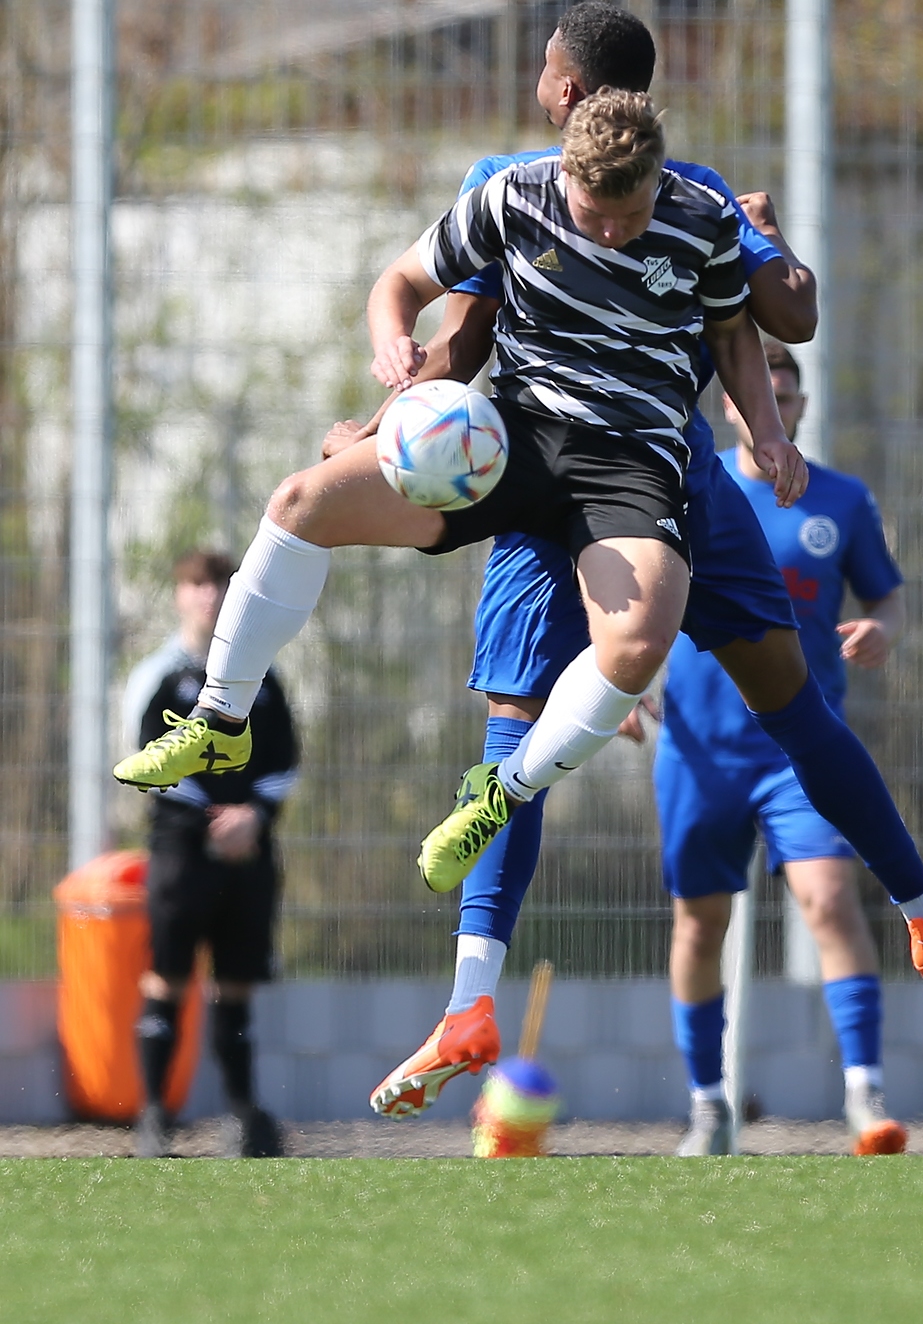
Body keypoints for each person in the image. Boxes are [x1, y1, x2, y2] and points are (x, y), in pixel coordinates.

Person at [364, 6, 923, 1128]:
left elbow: (774, 314)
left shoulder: (674, 194)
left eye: (543, 69)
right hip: (625, 487)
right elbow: (462, 328)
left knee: (564, 722)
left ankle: (476, 1000)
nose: (535, 81)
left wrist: (765, 250)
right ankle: (915, 908)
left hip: (623, 486)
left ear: (565, 93)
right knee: (761, 713)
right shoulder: (542, 188)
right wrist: (388, 423)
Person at [115, 90, 805, 904]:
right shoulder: (514, 194)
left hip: (627, 463)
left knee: (638, 642)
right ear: (567, 176)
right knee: (302, 501)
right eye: (595, 213)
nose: (612, 231)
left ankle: (499, 791)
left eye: (629, 212)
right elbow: (402, 280)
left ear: (657, 179)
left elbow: (733, 331)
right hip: (507, 441)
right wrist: (392, 347)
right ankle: (219, 721)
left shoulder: (700, 215)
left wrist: (766, 429)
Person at [659, 342, 907, 1155]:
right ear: (732, 404)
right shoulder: (690, 489)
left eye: (789, 396)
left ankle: (864, 1098)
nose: (776, 407)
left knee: (830, 902)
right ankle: (707, 1107)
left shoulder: (840, 499)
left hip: (797, 756)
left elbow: (886, 598)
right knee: (699, 926)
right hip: (697, 751)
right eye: (761, 393)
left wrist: (880, 629)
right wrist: (613, 686)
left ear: (797, 408)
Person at [121, 549, 297, 1157]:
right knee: (167, 977)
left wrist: (254, 816)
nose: (209, 595)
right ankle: (152, 1116)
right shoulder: (159, 677)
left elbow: (283, 762)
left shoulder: (263, 680)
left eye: (220, 583)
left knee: (237, 982)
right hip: (180, 853)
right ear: (180, 595)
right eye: (196, 584)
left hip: (249, 852)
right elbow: (146, 760)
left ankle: (244, 1116)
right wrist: (206, 819)